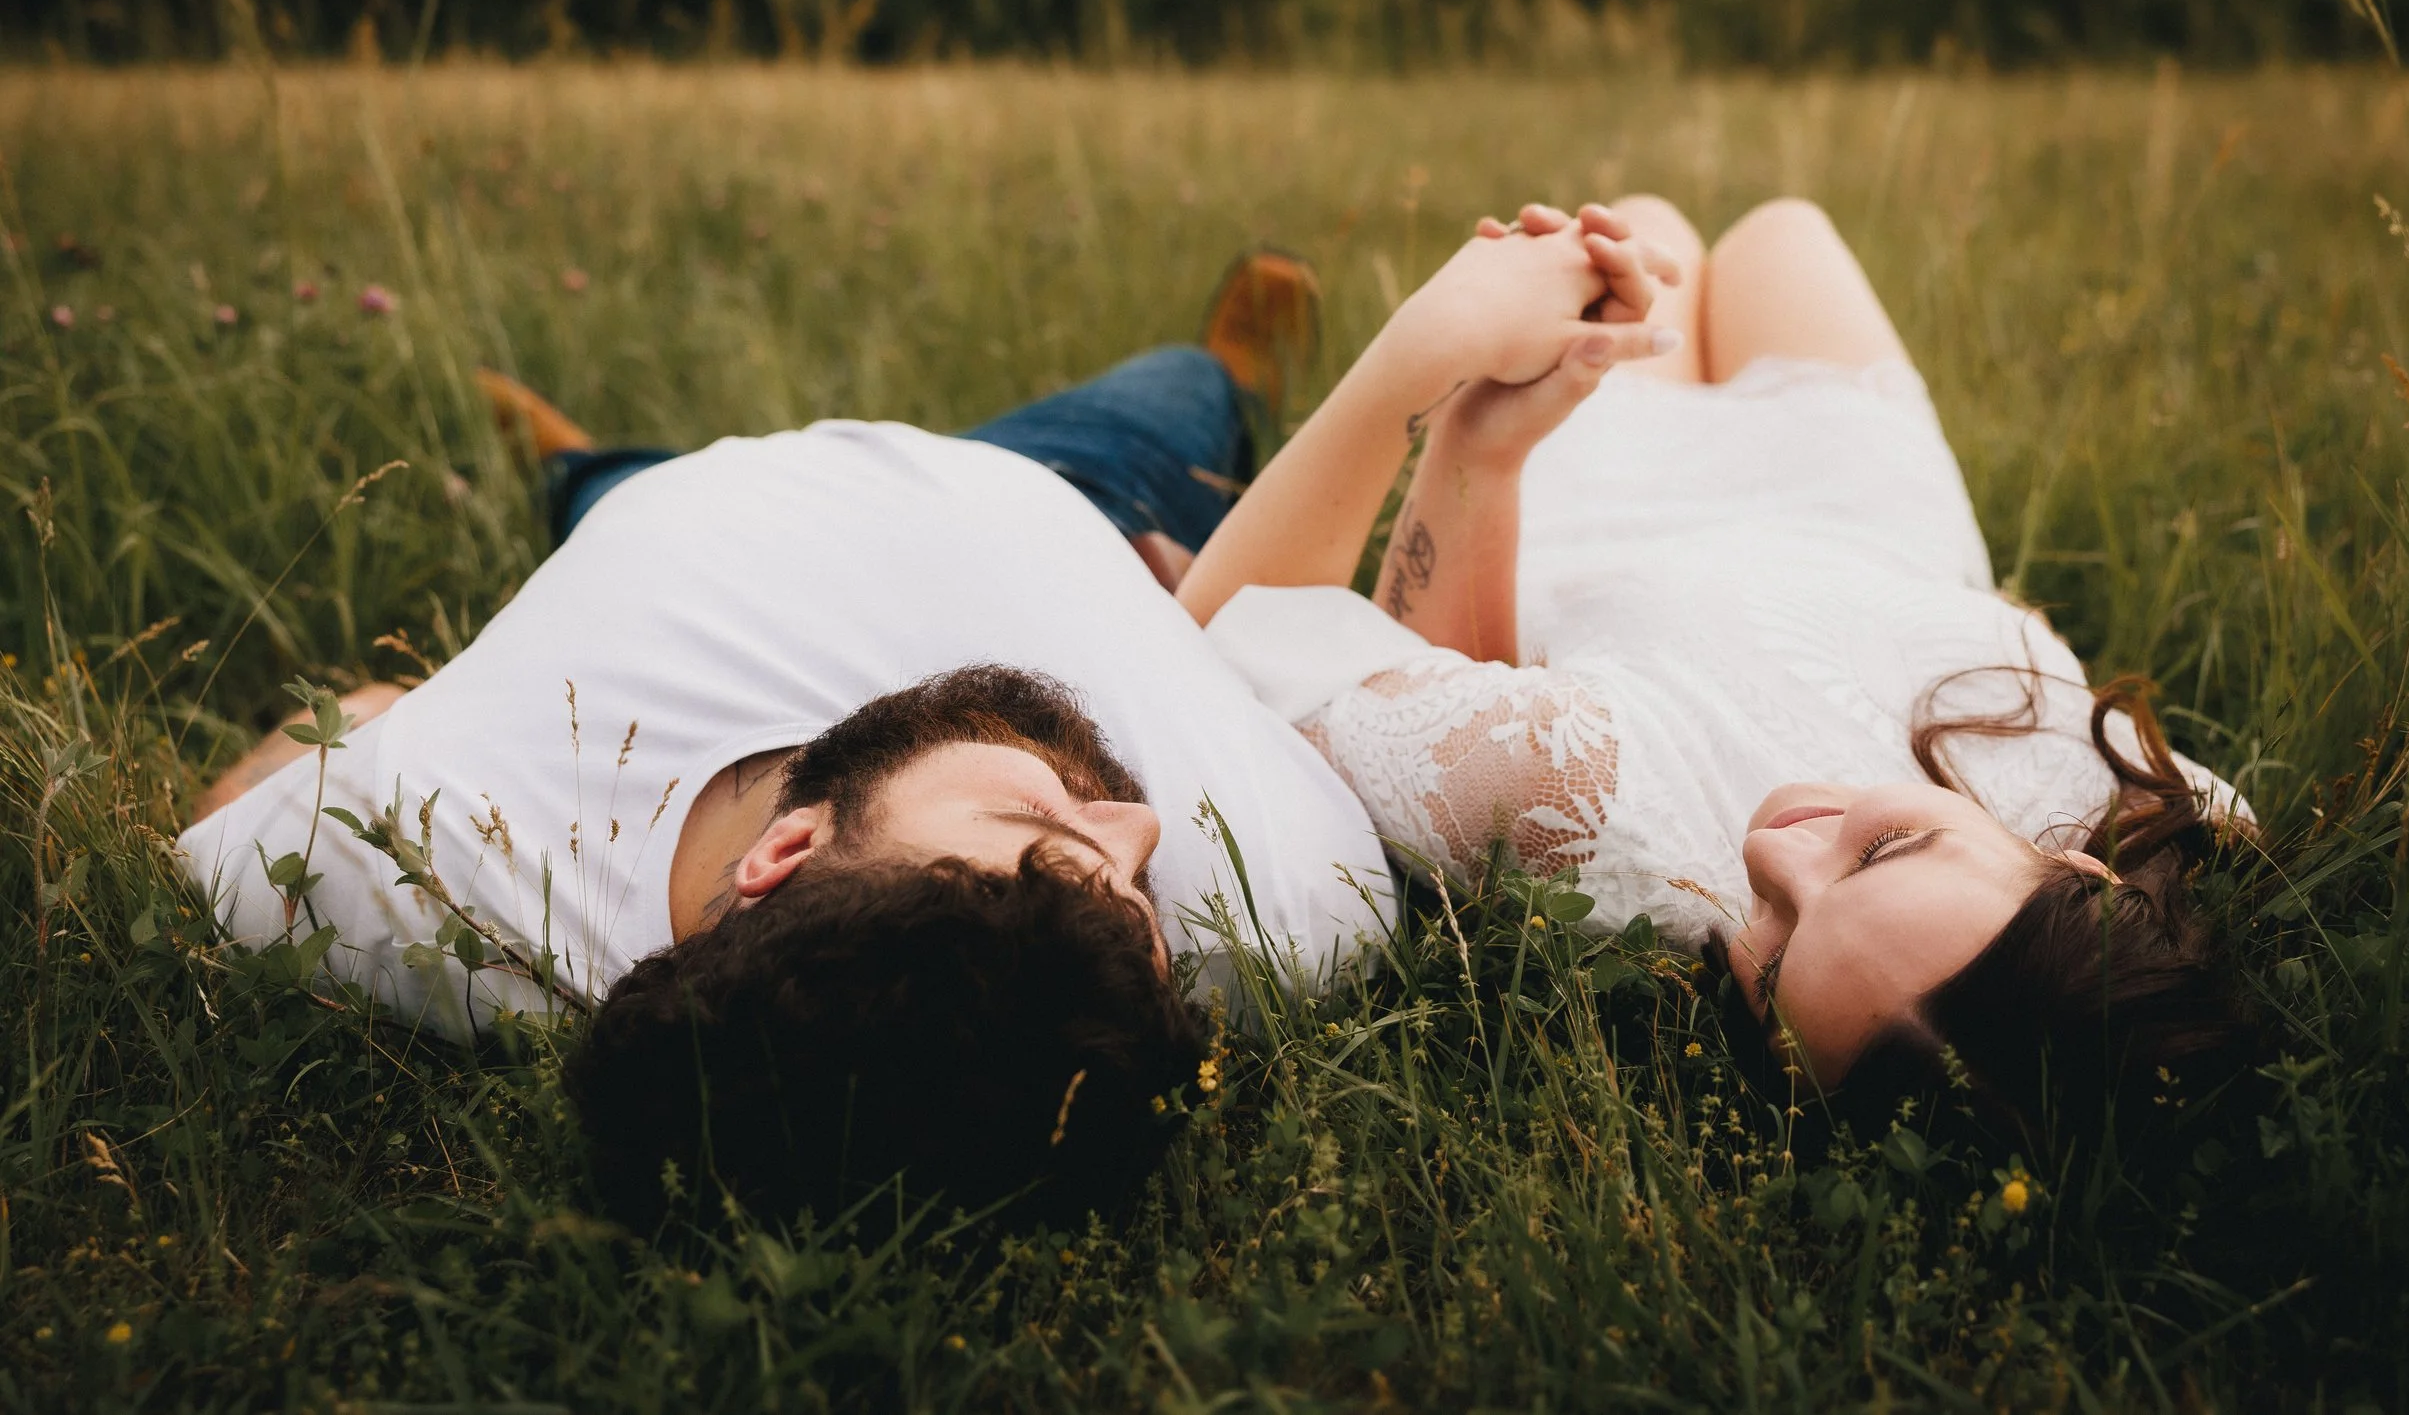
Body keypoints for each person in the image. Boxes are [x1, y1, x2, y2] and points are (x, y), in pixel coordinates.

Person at [175, 234, 1668, 1228]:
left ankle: (581, 469)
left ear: (786, 855)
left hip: (682, 531)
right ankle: (1230, 384)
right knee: (1168, 397)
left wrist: (375, 715)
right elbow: (1283, 637)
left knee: (614, 503)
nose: (1133, 827)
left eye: (1038, 828)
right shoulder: (1269, 903)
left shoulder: (433, 886)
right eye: (1133, 890)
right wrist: (1426, 364)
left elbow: (239, 820)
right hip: (1073, 511)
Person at [1186, 196, 2250, 1146]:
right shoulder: (2158, 820)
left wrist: (1460, 411)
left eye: (1776, 961)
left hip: (1610, 501)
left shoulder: (1589, 808)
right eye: (1886, 846)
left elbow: (1260, 625)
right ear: (2079, 879)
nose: (1774, 849)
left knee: (1646, 224)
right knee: (1784, 225)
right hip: (1863, 503)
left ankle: (1221, 398)